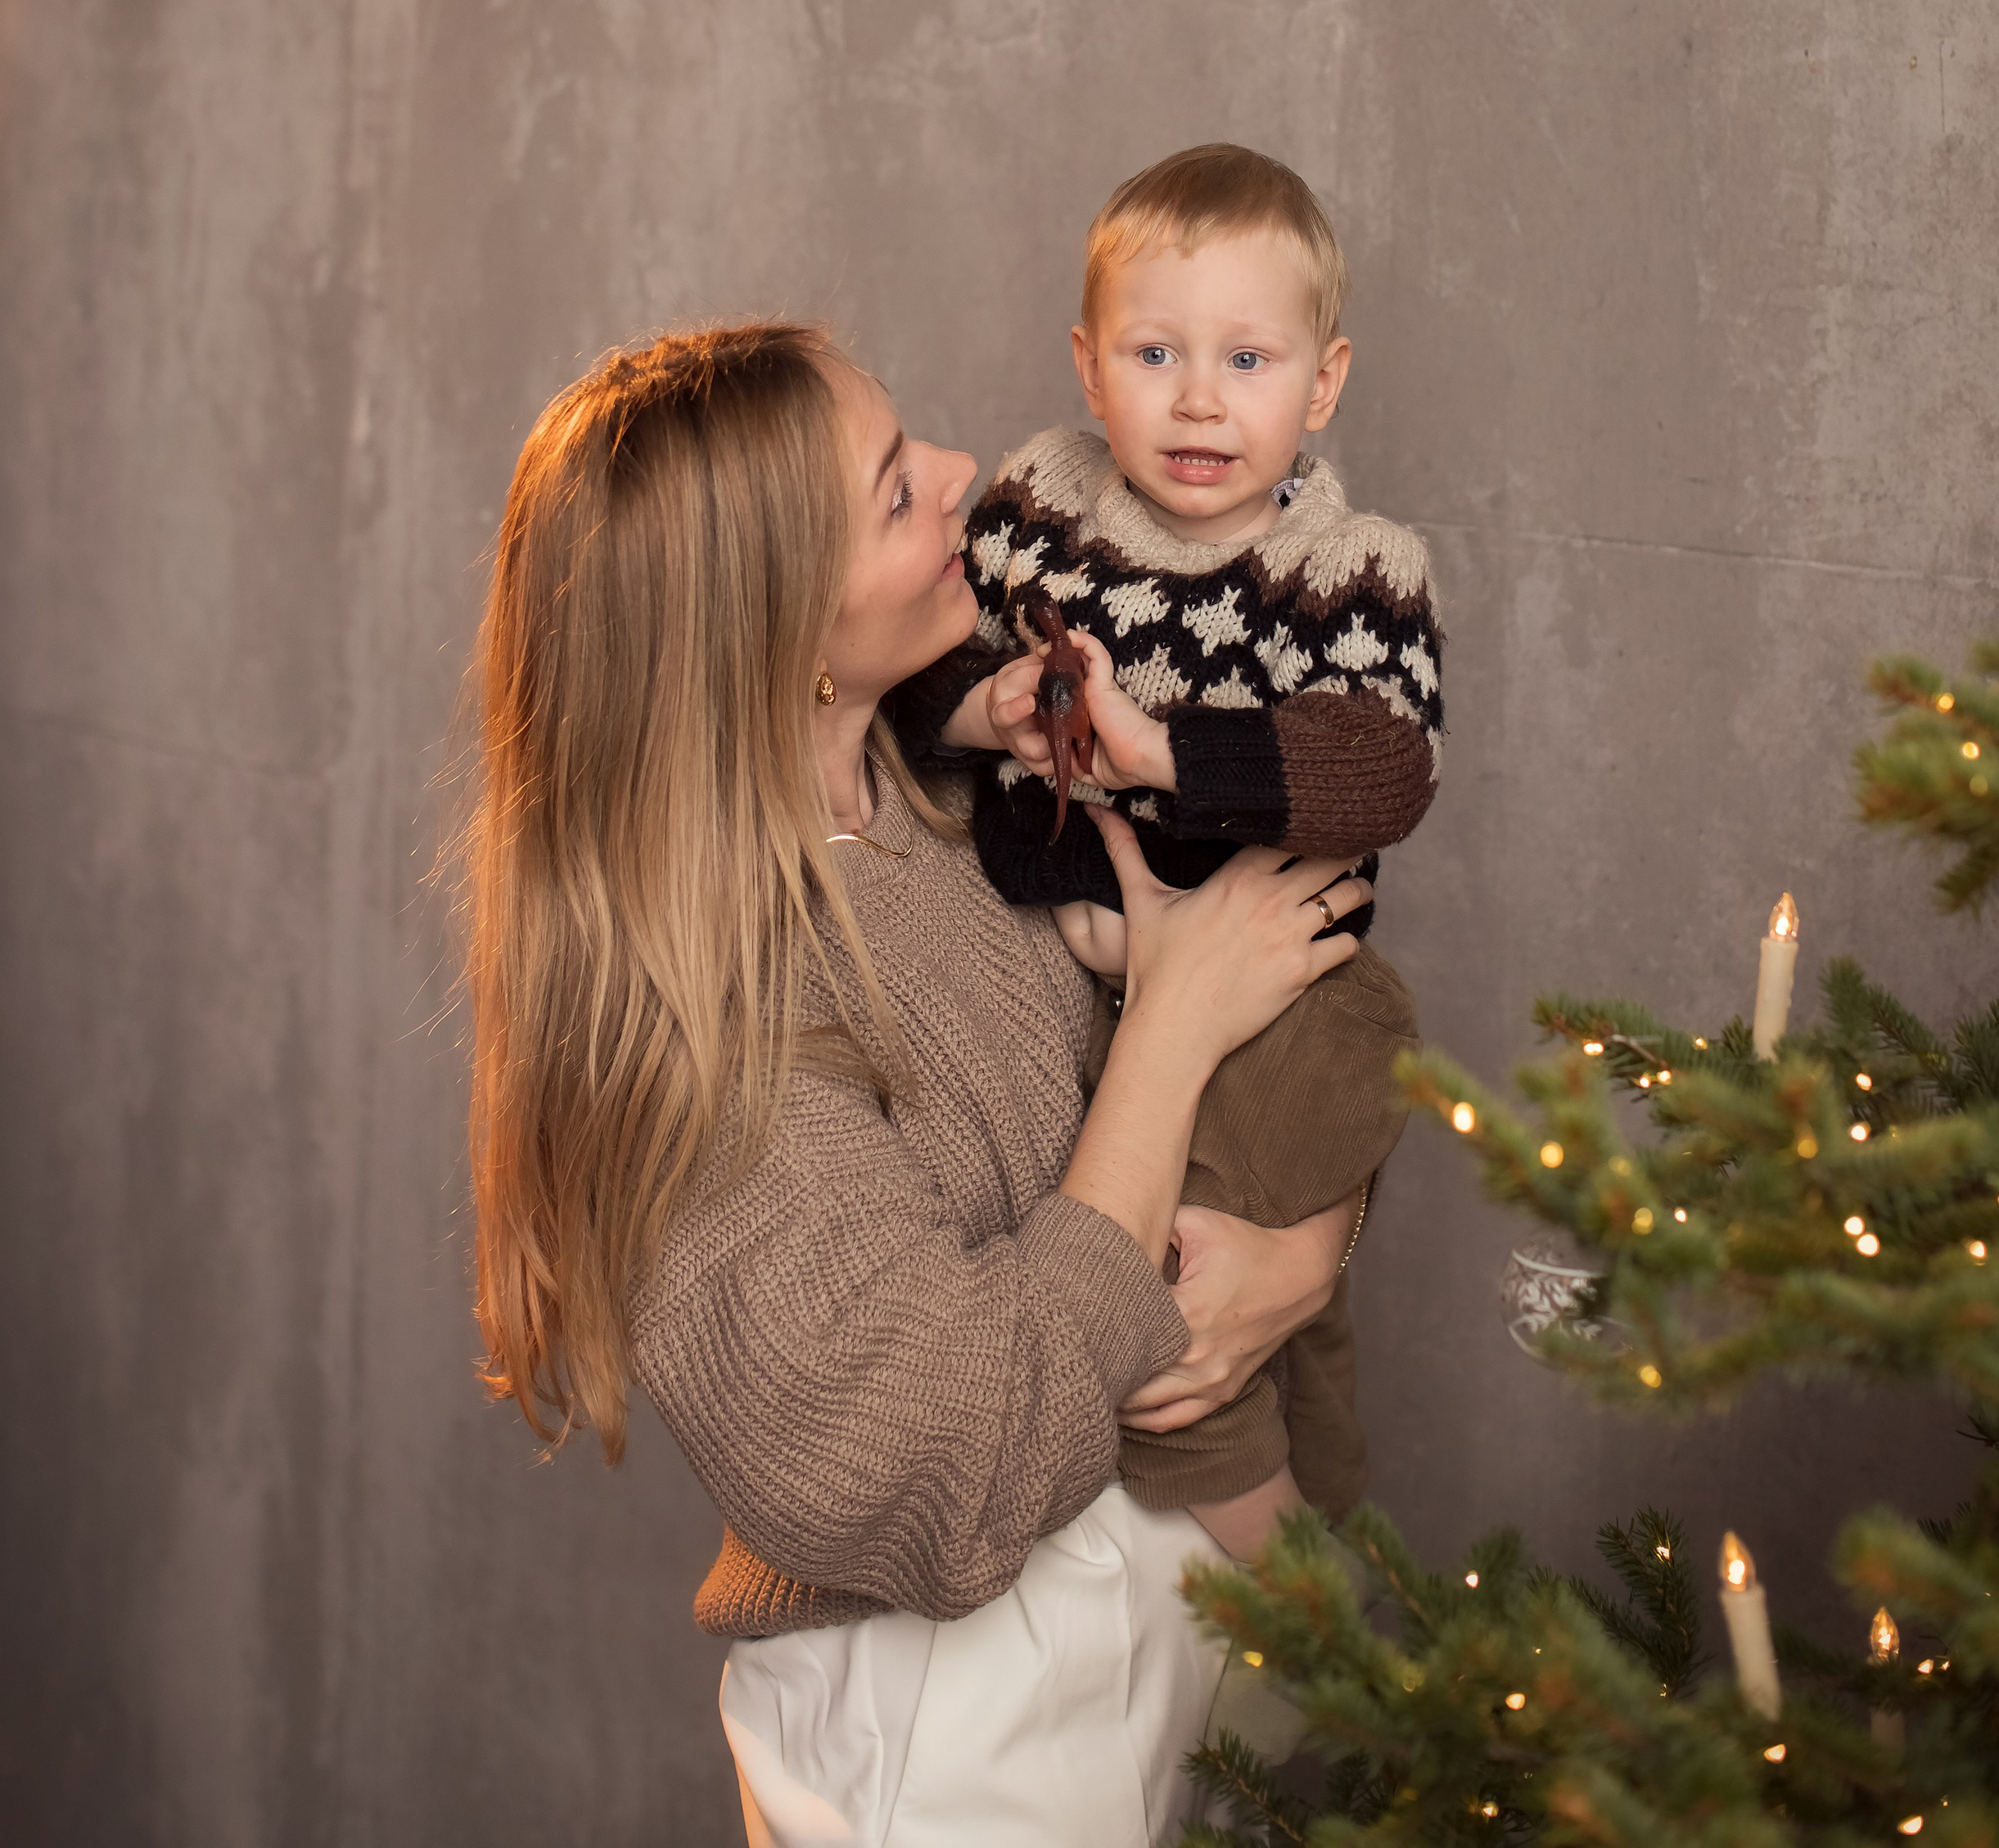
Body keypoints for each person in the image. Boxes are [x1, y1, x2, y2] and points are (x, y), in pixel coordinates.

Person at [463, 320, 1370, 1848]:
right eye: (896, 491)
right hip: (968, 1740)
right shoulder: (700, 1041)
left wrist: (1300, 1254)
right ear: (774, 633)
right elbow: (945, 1463)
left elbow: (1278, 1063)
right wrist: (1172, 1028)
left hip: (1174, 1631)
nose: (961, 473)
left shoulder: (952, 793)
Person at [889, 144, 1442, 1555]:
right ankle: (1335, 1545)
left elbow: (1387, 766)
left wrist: (1168, 757)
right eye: (1156, 354)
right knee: (1251, 1298)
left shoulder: (1351, 568)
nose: (1201, 399)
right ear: (1089, 369)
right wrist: (985, 705)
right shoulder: (1038, 507)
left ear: (1322, 383)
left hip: (1289, 1001)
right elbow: (902, 672)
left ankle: (1304, 1618)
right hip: (1101, 988)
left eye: (1248, 361)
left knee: (1186, 1322)